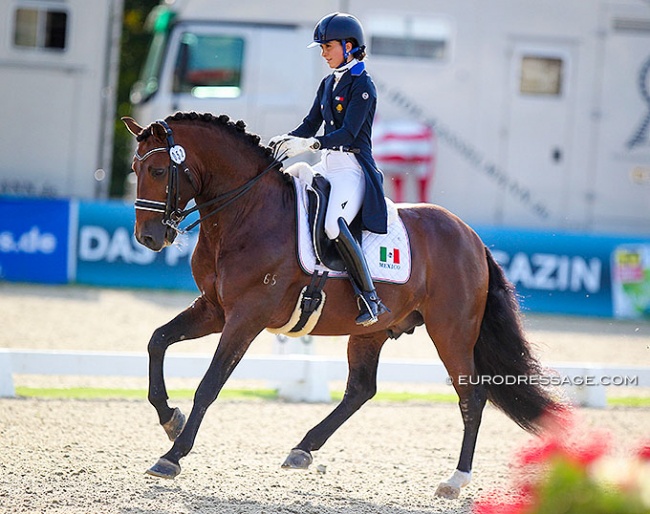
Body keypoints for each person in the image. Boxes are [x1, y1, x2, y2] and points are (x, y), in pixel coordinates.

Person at [269, 12, 388, 326]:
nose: (324, 54)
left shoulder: (363, 85)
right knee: (288, 185)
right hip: (326, 165)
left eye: (328, 47)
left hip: (352, 169)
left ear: (349, 46)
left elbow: (348, 133)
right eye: (321, 48)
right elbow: (311, 124)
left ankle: (370, 297)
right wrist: (288, 139)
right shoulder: (328, 82)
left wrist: (308, 146)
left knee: (334, 225)